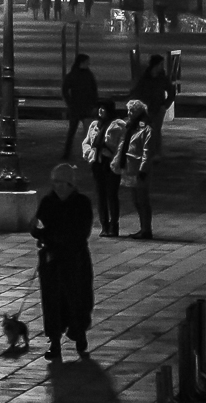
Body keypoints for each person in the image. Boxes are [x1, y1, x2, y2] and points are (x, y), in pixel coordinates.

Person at [31, 164, 95, 359]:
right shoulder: (48, 202)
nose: (57, 186)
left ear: (70, 184)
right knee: (52, 300)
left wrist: (54, 236)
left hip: (75, 258)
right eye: (55, 182)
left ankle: (79, 333)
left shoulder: (81, 203)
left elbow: (81, 232)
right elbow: (38, 225)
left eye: (61, 182)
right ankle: (55, 341)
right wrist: (38, 232)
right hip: (51, 258)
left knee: (77, 297)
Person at [110, 99, 153, 239]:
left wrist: (143, 169)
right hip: (130, 167)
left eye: (132, 111)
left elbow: (147, 150)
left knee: (142, 200)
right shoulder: (129, 126)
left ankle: (146, 229)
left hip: (138, 168)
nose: (129, 113)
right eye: (129, 110)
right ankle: (143, 228)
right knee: (136, 200)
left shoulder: (145, 128)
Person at [81, 102, 122, 236]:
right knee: (100, 195)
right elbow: (86, 142)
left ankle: (113, 226)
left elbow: (122, 144)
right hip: (97, 161)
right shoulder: (94, 125)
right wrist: (88, 152)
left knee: (111, 194)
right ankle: (104, 225)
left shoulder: (118, 125)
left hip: (110, 161)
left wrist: (116, 159)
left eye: (103, 108)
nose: (100, 111)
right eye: (99, 108)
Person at [130, 56, 176, 157]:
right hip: (146, 108)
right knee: (147, 130)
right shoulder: (145, 77)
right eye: (160, 64)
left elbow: (171, 92)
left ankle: (155, 152)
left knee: (155, 130)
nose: (162, 66)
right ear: (155, 64)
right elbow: (137, 91)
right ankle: (148, 151)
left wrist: (165, 105)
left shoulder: (162, 78)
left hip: (158, 107)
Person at [61, 54, 99, 160]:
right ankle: (90, 153)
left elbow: (65, 90)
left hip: (78, 107)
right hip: (83, 107)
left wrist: (70, 102)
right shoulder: (88, 75)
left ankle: (67, 154)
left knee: (73, 131)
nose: (88, 64)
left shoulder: (74, 74)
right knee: (86, 131)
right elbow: (94, 90)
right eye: (87, 62)